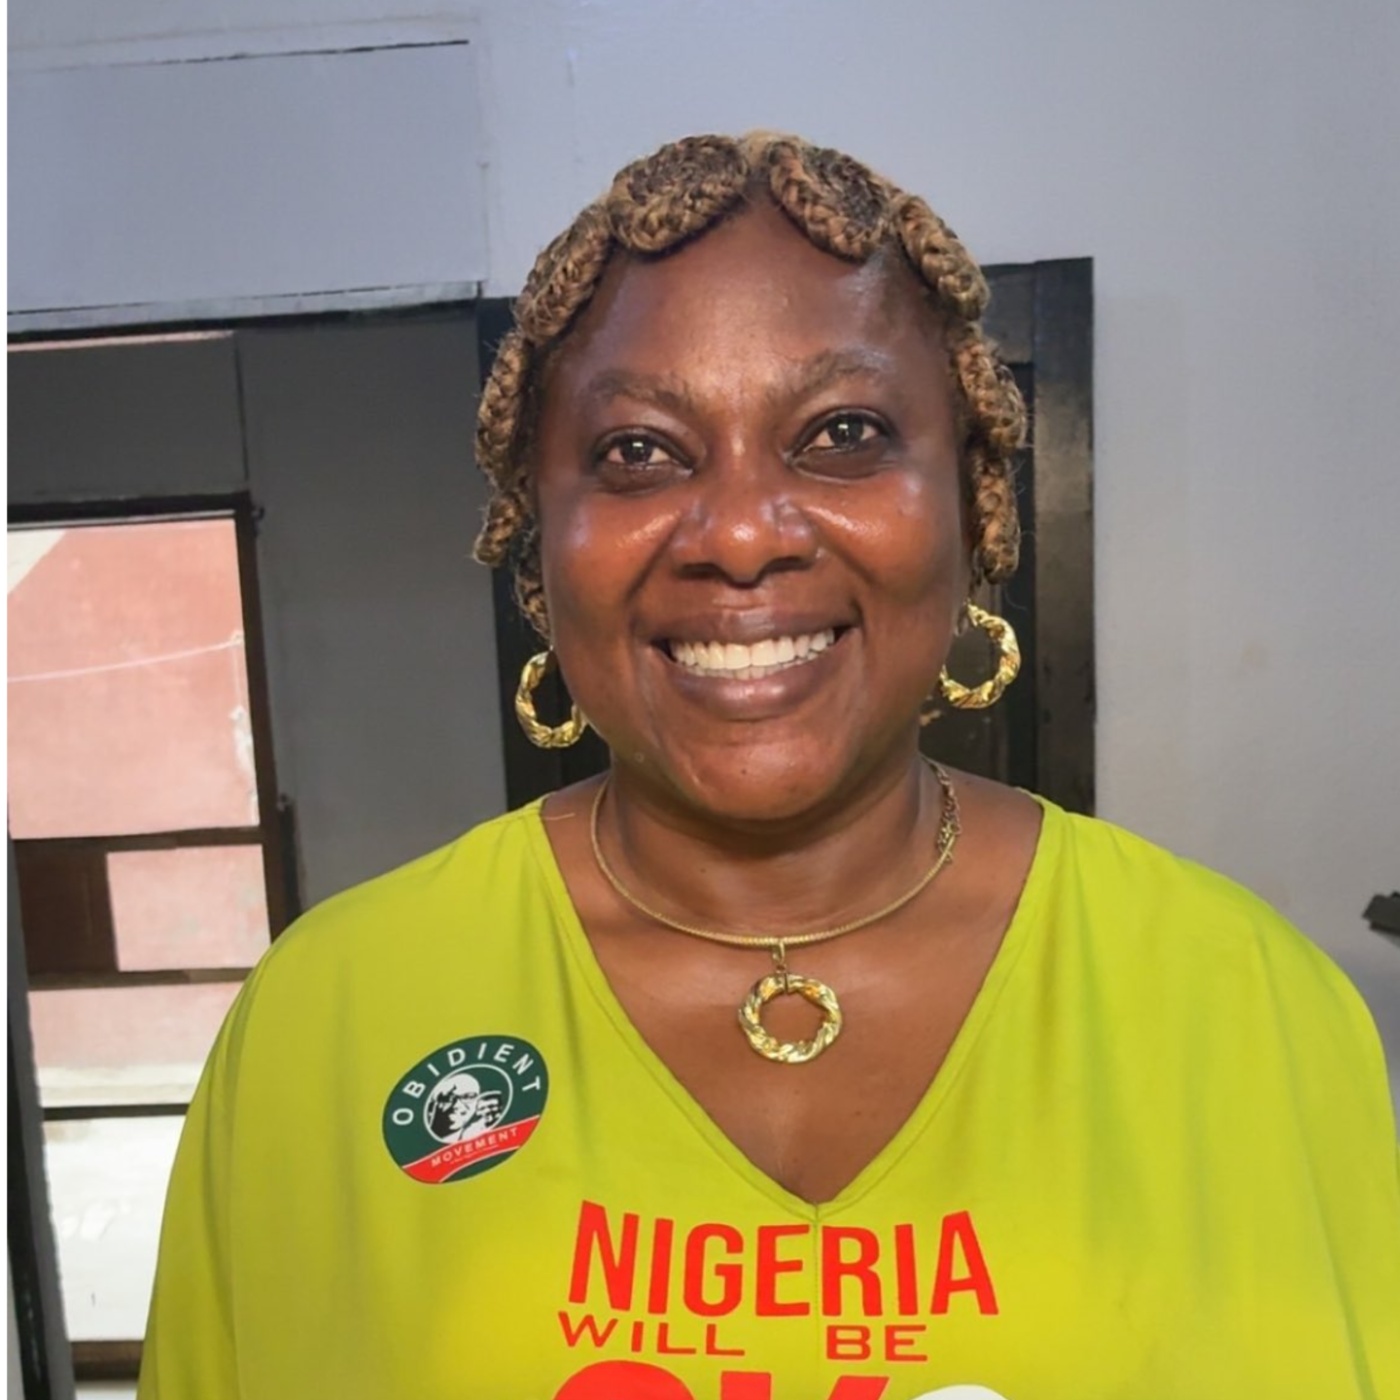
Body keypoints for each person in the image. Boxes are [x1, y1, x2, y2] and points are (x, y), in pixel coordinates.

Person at [138, 133, 1400, 1399]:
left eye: (841, 432)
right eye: (638, 451)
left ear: (970, 502)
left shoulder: (1247, 1011)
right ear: (537, 536)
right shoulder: (328, 1025)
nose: (740, 533)